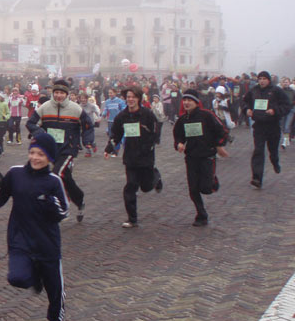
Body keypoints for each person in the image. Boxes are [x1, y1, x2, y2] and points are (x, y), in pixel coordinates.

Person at [0, 132, 69, 321]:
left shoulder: (53, 181)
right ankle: (35, 278)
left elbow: (64, 212)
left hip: (47, 243)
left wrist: (50, 203)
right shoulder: (16, 174)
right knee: (17, 278)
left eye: (40, 154)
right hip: (19, 238)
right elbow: (0, 197)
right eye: (32, 152)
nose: (35, 157)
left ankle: (55, 320)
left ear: (49, 157)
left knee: (54, 287)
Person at [27, 79, 94, 222]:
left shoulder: (75, 109)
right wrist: (40, 133)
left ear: (67, 94)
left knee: (56, 174)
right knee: (66, 178)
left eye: (62, 93)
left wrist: (88, 142)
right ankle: (79, 200)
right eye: (56, 92)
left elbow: (88, 125)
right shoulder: (45, 107)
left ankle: (62, 207)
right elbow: (30, 123)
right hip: (50, 149)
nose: (58, 95)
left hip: (68, 148)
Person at [104, 86, 163, 228]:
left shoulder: (147, 114)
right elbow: (116, 134)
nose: (130, 99)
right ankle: (132, 219)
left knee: (146, 187)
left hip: (145, 156)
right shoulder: (122, 116)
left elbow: (156, 130)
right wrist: (109, 149)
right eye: (128, 97)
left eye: (133, 97)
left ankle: (156, 177)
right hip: (130, 156)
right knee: (130, 186)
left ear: (139, 99)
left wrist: (150, 143)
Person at [173, 89, 229, 226]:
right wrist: (179, 144)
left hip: (207, 156)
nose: (186, 103)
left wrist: (219, 145)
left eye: (189, 100)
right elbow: (178, 135)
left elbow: (222, 131)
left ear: (196, 102)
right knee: (193, 189)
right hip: (191, 157)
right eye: (184, 100)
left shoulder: (207, 115)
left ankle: (213, 181)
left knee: (206, 188)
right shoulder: (182, 119)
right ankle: (201, 215)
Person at [242, 71, 291, 188]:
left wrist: (275, 111)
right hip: (259, 126)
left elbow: (286, 105)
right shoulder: (254, 90)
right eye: (260, 79)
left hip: (273, 126)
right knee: (258, 151)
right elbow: (245, 102)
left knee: (273, 150)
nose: (262, 81)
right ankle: (257, 178)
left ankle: (275, 162)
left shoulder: (276, 91)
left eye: (264, 79)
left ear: (269, 80)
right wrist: (247, 110)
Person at [100, 88, 126, 157]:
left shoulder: (120, 101)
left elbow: (123, 110)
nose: (110, 94)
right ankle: (114, 151)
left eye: (111, 93)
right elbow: (106, 109)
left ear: (115, 93)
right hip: (110, 121)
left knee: (119, 136)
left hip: (119, 122)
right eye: (109, 93)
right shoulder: (107, 101)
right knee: (111, 137)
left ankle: (120, 151)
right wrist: (103, 115)